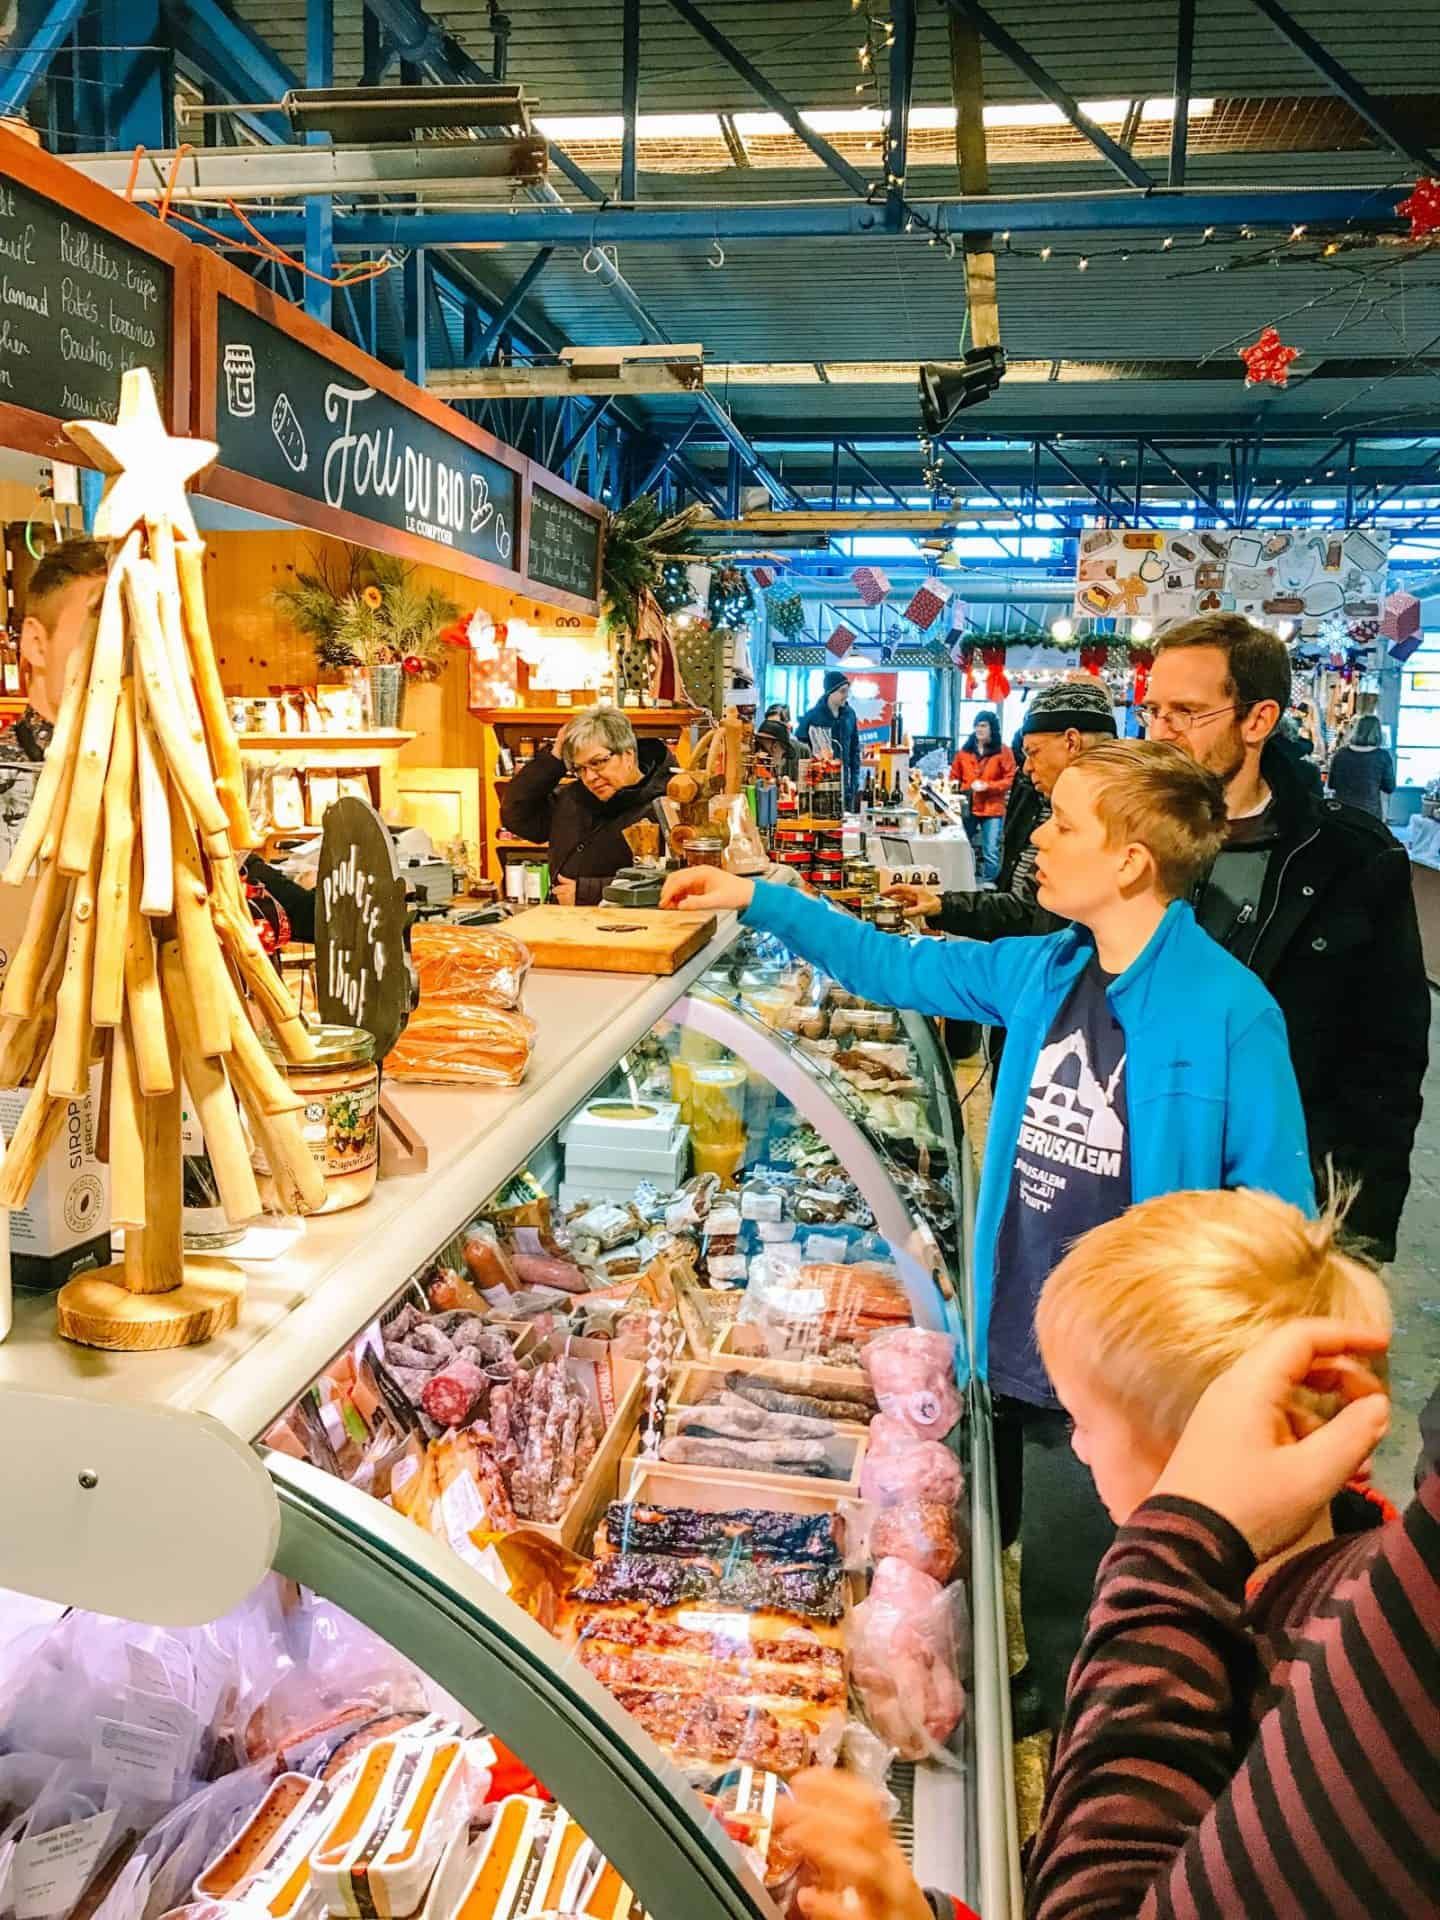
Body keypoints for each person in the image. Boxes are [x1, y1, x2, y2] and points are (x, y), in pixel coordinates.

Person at [663, 738, 1316, 1732]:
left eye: (1062, 825)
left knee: (1084, 1586)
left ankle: (1083, 1740)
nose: (1038, 844)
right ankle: (1036, 1691)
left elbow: (1279, 1228)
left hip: (1114, 1379)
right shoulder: (1045, 968)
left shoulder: (1233, 1012)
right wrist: (760, 898)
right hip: (1005, 1333)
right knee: (996, 1544)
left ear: (1132, 859)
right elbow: (896, 964)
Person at [1145, 613, 1428, 1263]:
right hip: (1145, 1182)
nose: (1159, 732)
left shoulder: (1350, 861)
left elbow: (1388, 1058)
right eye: (1153, 709)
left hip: (1275, 1204)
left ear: (1257, 719)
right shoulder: (1131, 838)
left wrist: (1355, 1234)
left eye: (1185, 711)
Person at [890, 679, 1117, 938]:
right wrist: (942, 905)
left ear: (1071, 742)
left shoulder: (1113, 819)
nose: (1028, 767)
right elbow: (1025, 907)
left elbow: (1033, 916)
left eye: (1034, 752)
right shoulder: (1039, 795)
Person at [500, 703, 674, 906]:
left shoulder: (667, 805)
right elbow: (516, 815)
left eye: (598, 762)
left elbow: (671, 881)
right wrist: (554, 757)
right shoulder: (572, 798)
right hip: (567, 927)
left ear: (628, 755)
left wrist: (590, 893)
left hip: (630, 930)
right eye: (580, 769)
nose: (590, 777)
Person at [949, 710, 1015, 885]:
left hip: (992, 807)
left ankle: (988, 885)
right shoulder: (964, 751)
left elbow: (1009, 779)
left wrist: (988, 786)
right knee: (960, 846)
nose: (979, 729)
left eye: (984, 725)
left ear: (992, 728)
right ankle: (963, 881)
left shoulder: (1003, 751)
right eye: (977, 725)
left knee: (991, 850)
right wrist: (960, 789)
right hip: (967, 807)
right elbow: (953, 777)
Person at [798, 670, 862, 806]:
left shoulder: (850, 715)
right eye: (842, 691)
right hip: (819, 783)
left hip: (844, 783)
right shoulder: (812, 717)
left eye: (847, 691)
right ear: (830, 692)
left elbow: (855, 749)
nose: (846, 696)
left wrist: (855, 780)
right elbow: (800, 750)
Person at [1328, 712, 1395, 820]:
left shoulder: (1340, 754)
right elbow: (1389, 787)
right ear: (1378, 732)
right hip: (1369, 813)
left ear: (1356, 730)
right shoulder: (1382, 756)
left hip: (1342, 811)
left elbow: (1332, 784)